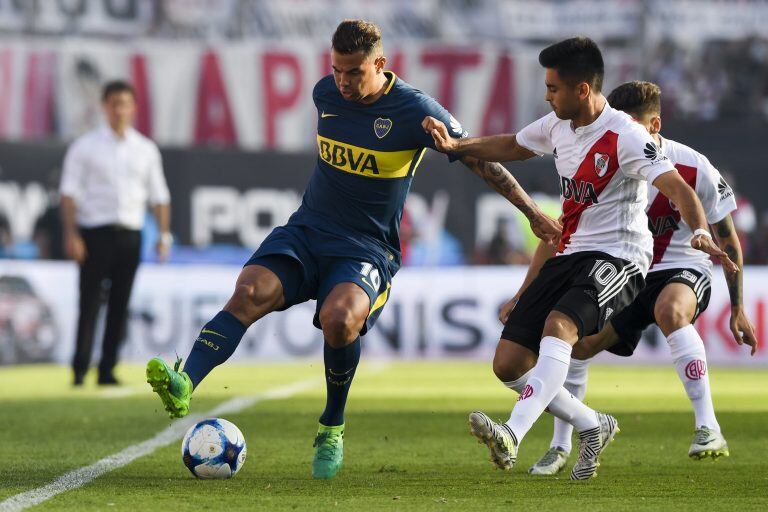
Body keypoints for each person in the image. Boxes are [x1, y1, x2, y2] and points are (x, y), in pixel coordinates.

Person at [145, 19, 560, 481]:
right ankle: (186, 381)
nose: (342, 82)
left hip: (366, 247)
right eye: (337, 70)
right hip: (308, 230)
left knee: (340, 322)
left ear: (380, 64)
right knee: (248, 292)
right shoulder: (325, 94)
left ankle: (332, 426)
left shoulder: (415, 110)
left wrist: (531, 212)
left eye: (353, 73)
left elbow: (479, 160)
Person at [424, 37, 738, 480]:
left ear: (583, 90)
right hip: (571, 251)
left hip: (620, 256)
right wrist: (460, 146)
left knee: (561, 328)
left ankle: (512, 433)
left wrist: (702, 230)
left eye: (553, 88)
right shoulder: (557, 127)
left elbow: (677, 188)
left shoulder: (626, 135)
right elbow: (512, 145)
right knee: (509, 363)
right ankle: (593, 425)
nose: (547, 95)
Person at [528, 81, 758, 476]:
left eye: (632, 126)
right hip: (631, 272)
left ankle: (708, 426)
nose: (624, 135)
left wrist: (737, 307)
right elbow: (564, 231)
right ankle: (561, 445)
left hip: (683, 268)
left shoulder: (694, 166)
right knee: (578, 345)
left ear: (655, 125)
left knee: (670, 309)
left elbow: (727, 237)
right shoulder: (604, 165)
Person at [60, 80, 172, 386]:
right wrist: (72, 234)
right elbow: (68, 193)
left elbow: (159, 195)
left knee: (121, 303)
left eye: (124, 103)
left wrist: (163, 235)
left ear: (133, 108)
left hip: (130, 234)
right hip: (94, 233)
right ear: (104, 107)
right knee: (89, 302)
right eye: (113, 104)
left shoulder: (145, 149)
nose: (119, 110)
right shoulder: (85, 146)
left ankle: (107, 368)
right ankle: (80, 368)